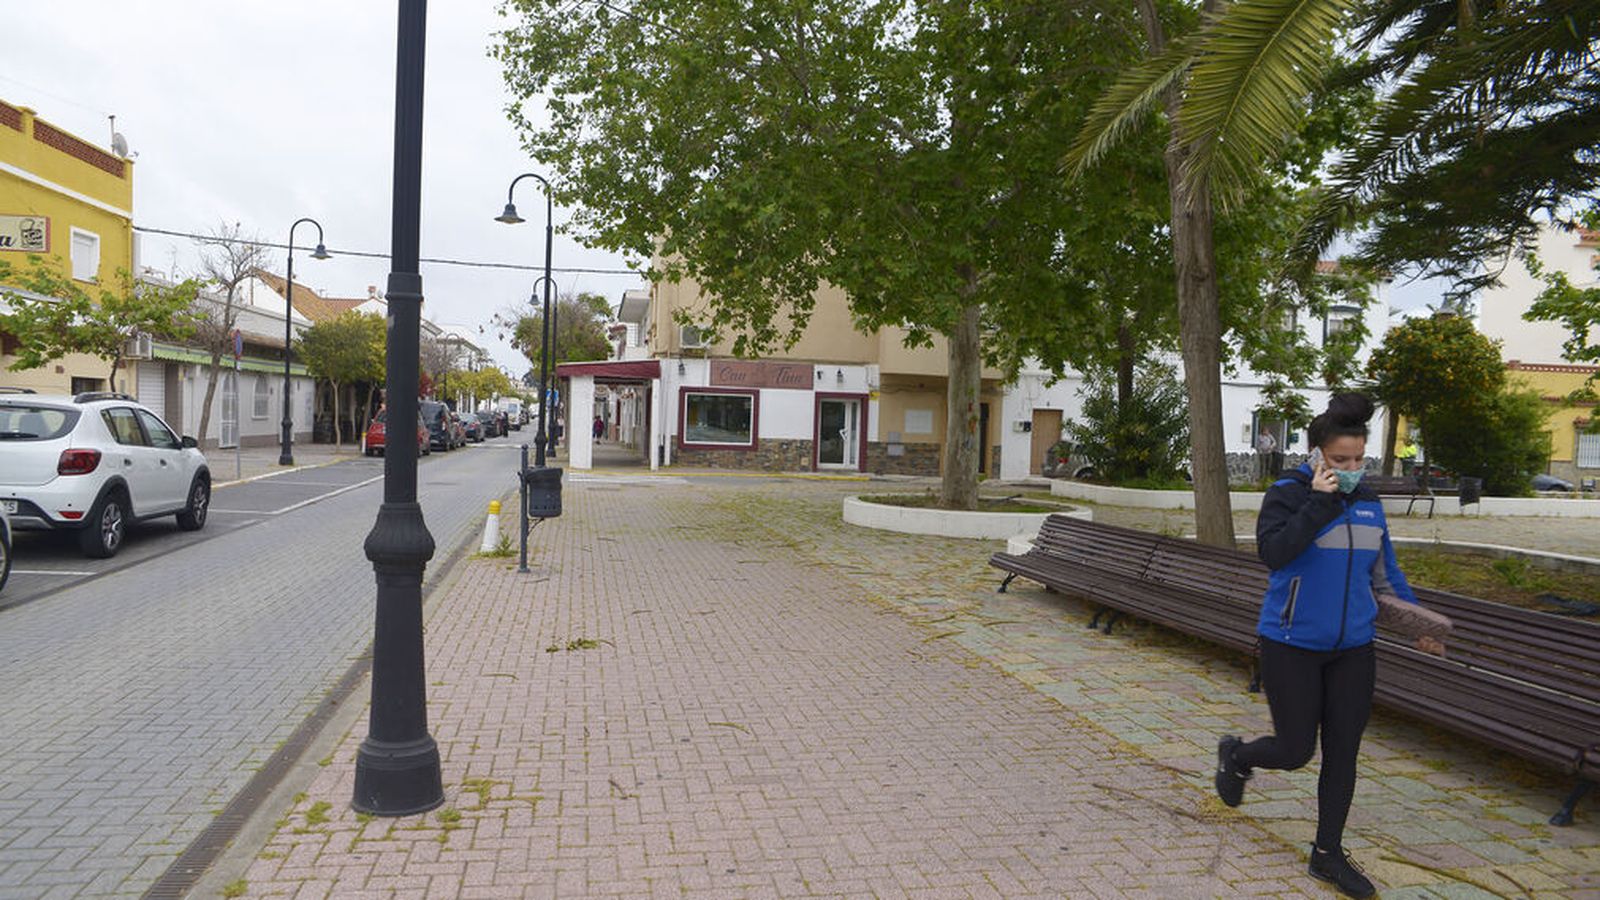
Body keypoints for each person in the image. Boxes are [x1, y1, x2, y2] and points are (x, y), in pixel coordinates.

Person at [1216, 393, 1434, 898]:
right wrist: (1319, 501)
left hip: (1354, 648)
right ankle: (1238, 756)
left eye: (1361, 460)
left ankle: (1327, 854)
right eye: (1341, 460)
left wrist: (1420, 622)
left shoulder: (1370, 503)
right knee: (1294, 751)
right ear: (1316, 455)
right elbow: (1274, 553)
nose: (1353, 469)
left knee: (1343, 753)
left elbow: (1386, 574)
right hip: (1290, 642)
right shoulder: (1288, 493)